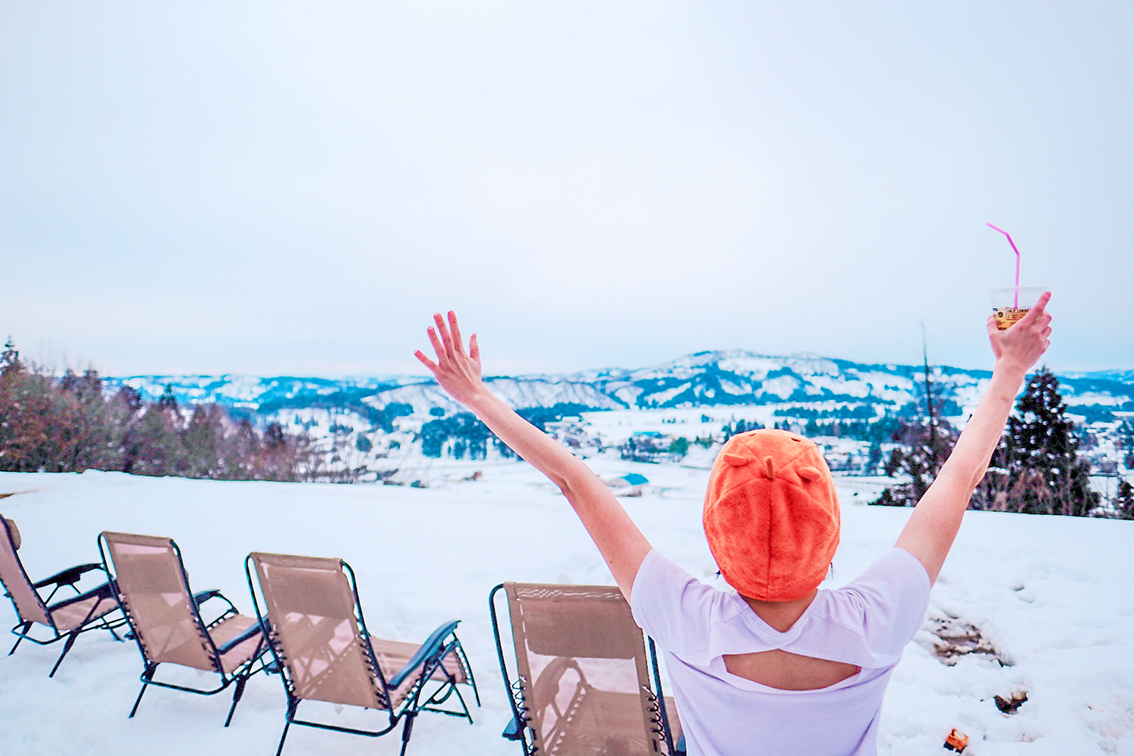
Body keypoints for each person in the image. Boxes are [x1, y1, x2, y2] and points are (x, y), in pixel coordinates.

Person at [414, 294, 1052, 756]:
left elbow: (576, 483)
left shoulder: (685, 617)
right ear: (828, 540)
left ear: (718, 542)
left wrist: (478, 396)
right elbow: (959, 481)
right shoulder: (876, 619)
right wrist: (1008, 374)